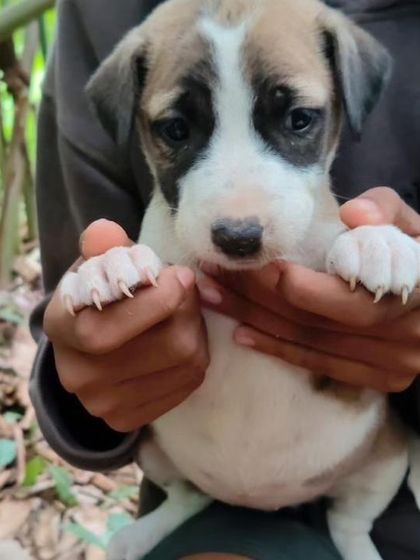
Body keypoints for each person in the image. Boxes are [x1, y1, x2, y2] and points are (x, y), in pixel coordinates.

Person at [30, 0, 420, 558]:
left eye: (297, 120)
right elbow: (71, 325)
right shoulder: (105, 18)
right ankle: (182, 505)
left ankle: (351, 528)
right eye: (177, 128)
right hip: (200, 472)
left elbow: (364, 249)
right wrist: (90, 342)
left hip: (365, 477)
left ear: (347, 96)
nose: (238, 217)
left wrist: (382, 250)